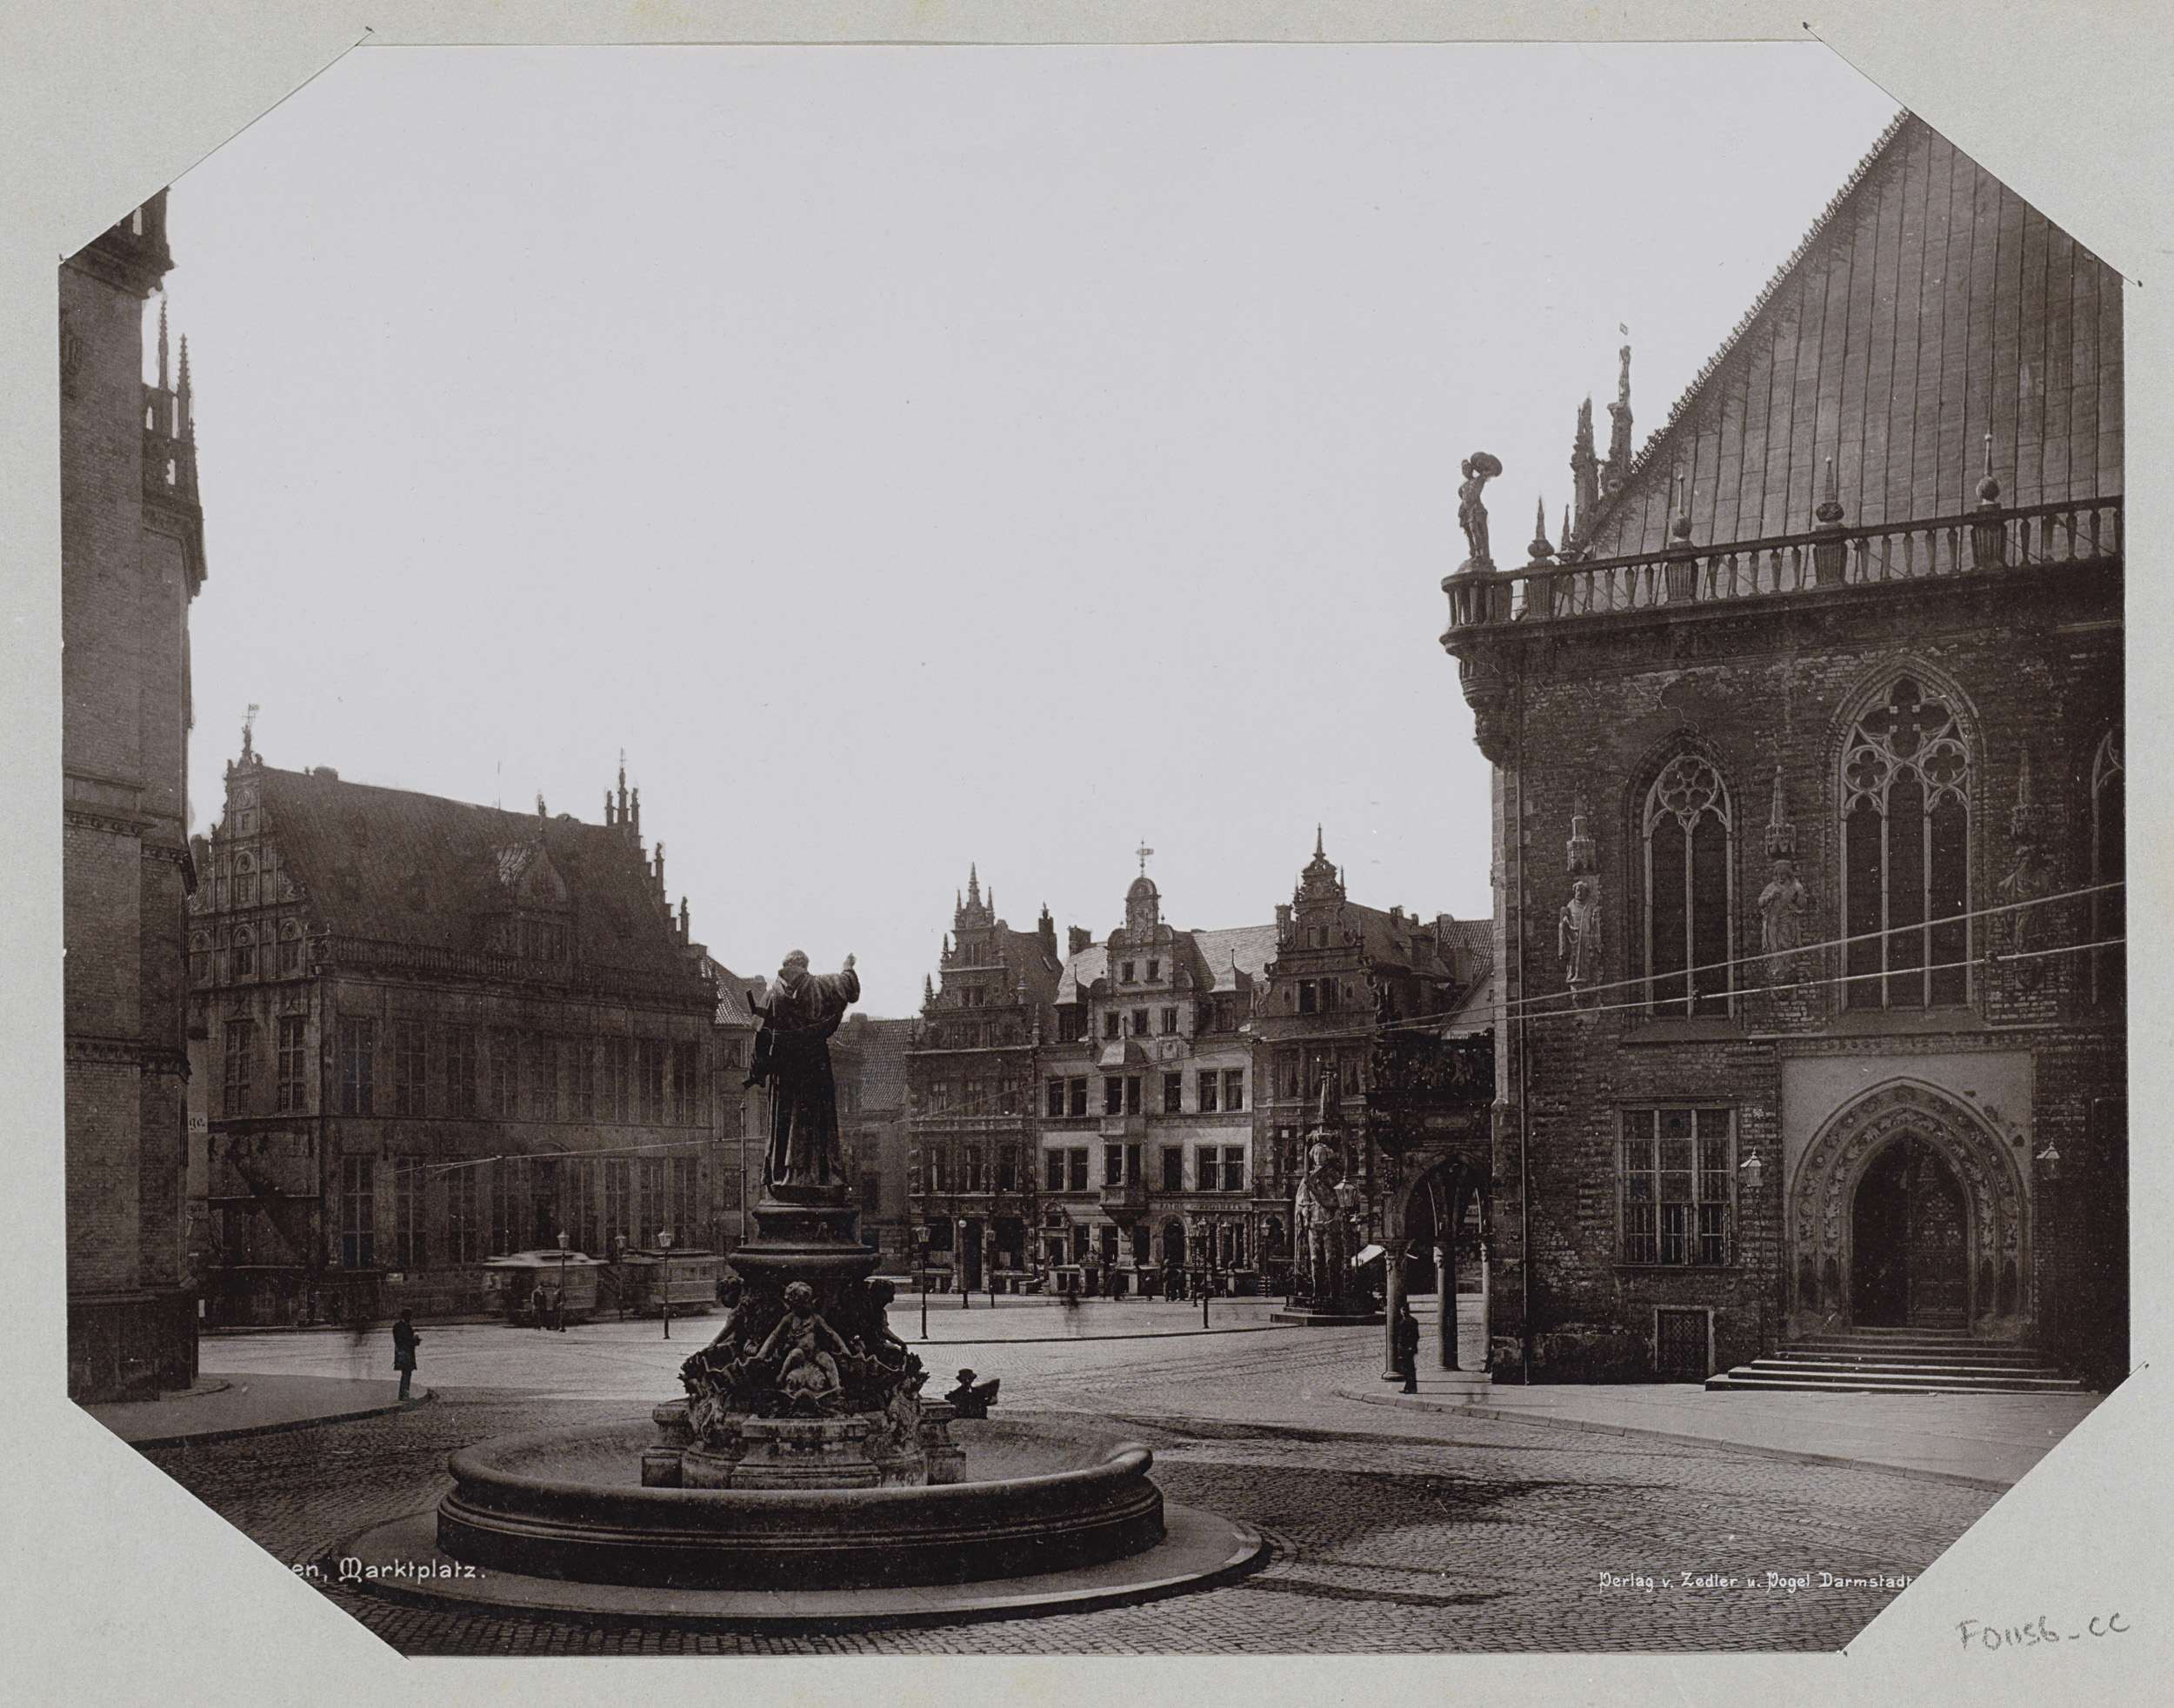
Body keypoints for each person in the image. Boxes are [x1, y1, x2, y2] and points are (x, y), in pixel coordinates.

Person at [745, 951, 861, 1191]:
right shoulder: (820, 986)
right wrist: (848, 966)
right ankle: (819, 1174)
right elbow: (849, 988)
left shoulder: (771, 995)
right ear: (805, 966)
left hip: (784, 1070)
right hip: (815, 1065)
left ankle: (784, 1172)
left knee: (785, 1119)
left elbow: (760, 1039)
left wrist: (758, 1070)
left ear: (785, 966)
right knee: (817, 1119)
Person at [1393, 1298, 1420, 1394]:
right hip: (1403, 1348)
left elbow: (1415, 1336)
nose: (1403, 1312)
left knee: (1409, 1369)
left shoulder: (1411, 1321)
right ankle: (1408, 1387)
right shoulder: (1403, 1321)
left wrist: (1411, 1347)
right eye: (1402, 1310)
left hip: (1408, 1348)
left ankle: (1411, 1388)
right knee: (1407, 1368)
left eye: (1405, 1310)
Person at [391, 1313, 421, 1402]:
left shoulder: (398, 1326)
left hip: (401, 1353)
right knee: (407, 1374)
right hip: (405, 1353)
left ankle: (403, 1395)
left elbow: (399, 1340)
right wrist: (415, 1340)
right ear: (406, 1316)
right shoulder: (405, 1327)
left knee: (406, 1373)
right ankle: (404, 1395)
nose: (410, 1319)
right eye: (409, 1317)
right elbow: (405, 1341)